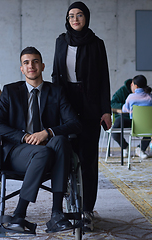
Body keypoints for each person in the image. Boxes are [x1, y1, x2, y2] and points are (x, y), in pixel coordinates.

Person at [0, 47, 82, 233]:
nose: (31, 65)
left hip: (52, 152)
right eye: (26, 62)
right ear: (21, 69)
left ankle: (57, 213)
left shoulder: (56, 91)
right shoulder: (10, 91)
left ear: (42, 66)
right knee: (43, 151)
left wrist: (47, 132)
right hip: (19, 151)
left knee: (61, 141)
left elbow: (75, 123)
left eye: (35, 61)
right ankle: (19, 214)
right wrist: (23, 136)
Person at [51, 1, 111, 231]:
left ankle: (87, 209)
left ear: (86, 18)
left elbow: (104, 78)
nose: (75, 19)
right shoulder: (60, 41)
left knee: (87, 158)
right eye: (71, 15)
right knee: (65, 154)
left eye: (79, 15)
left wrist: (105, 109)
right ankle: (67, 203)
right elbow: (56, 74)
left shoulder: (97, 44)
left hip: (90, 104)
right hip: (64, 102)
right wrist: (53, 105)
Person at [111, 78, 152, 159]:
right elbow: (113, 103)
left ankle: (140, 149)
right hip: (125, 118)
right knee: (115, 129)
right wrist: (126, 107)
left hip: (141, 119)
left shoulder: (146, 93)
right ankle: (125, 146)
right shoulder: (122, 91)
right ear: (132, 85)